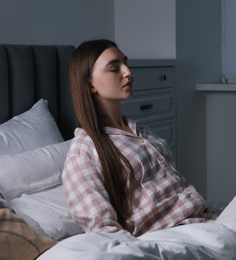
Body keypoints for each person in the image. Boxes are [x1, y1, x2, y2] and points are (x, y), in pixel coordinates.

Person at [62, 39, 219, 237]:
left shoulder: (142, 132)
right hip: (175, 236)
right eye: (114, 68)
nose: (128, 72)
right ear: (90, 84)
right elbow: (104, 232)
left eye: (125, 63)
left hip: (205, 219)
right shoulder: (83, 154)